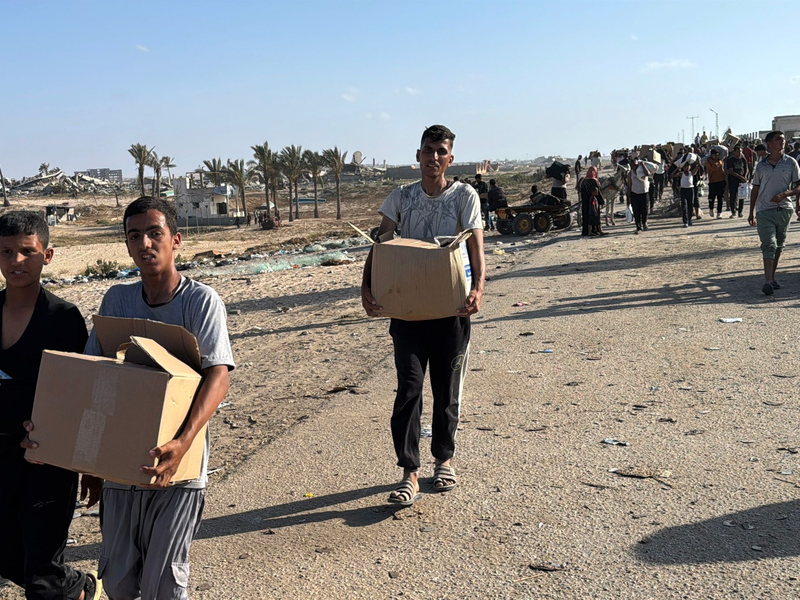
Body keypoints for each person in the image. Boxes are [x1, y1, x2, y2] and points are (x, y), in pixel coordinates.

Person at [25, 197, 235, 599]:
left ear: (176, 240)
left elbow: (218, 376)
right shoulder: (117, 300)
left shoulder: (200, 302)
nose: (145, 244)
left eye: (155, 234)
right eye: (134, 236)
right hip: (121, 470)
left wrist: (183, 442)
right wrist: (89, 461)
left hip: (178, 471)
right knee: (118, 580)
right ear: (126, 245)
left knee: (164, 583)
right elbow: (94, 378)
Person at [360, 125, 484, 506]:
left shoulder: (465, 196)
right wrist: (366, 288)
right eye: (428, 150)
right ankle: (408, 471)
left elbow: (477, 247)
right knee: (409, 390)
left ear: (450, 158)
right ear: (418, 155)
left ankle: (443, 460)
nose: (433, 157)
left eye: (441, 151)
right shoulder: (400, 197)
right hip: (409, 314)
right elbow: (380, 246)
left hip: (450, 311)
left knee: (447, 391)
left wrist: (479, 288)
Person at [1, 211, 103, 600]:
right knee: (10, 557)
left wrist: (90, 467)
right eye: (7, 252)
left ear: (48, 255)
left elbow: (83, 395)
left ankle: (66, 585)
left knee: (41, 580)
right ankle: (74, 585)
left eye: (28, 251)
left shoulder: (63, 319)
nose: (17, 262)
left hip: (49, 459)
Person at [748, 131, 800, 296]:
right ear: (769, 144)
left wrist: (786, 195)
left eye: (783, 139)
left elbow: (799, 187)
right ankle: (768, 281)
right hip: (764, 210)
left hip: (784, 209)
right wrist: (751, 211)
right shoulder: (761, 165)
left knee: (778, 245)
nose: (782, 142)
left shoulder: (791, 163)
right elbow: (755, 188)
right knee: (769, 244)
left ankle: (772, 277)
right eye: (778, 139)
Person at [628, 156, 652, 233]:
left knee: (644, 210)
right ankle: (638, 227)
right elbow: (629, 185)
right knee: (636, 211)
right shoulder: (630, 173)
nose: (634, 167)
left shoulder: (642, 170)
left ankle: (644, 223)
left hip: (644, 192)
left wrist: (643, 165)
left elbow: (648, 174)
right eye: (632, 165)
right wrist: (628, 196)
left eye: (635, 165)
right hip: (634, 193)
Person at [578, 166, 605, 236]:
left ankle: (586, 231)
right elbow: (597, 192)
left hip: (585, 203)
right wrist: (601, 201)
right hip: (593, 202)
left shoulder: (583, 181)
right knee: (595, 217)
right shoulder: (593, 181)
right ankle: (594, 230)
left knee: (586, 217)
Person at [725, 145, 750, 218]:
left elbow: (746, 168)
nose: (739, 153)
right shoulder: (730, 160)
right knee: (733, 196)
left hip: (742, 181)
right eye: (738, 152)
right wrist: (741, 177)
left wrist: (745, 176)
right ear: (734, 152)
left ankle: (740, 212)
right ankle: (733, 212)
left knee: (742, 196)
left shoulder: (743, 159)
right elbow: (731, 171)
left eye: (741, 151)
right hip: (733, 180)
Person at [705, 149, 727, 218]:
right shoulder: (708, 162)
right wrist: (719, 164)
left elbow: (723, 169)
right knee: (712, 197)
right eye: (715, 155)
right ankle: (711, 208)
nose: (716, 157)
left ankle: (719, 212)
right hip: (712, 182)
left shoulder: (720, 161)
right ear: (711, 155)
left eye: (717, 155)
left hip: (721, 181)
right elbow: (714, 167)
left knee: (720, 198)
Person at [679, 162, 695, 227]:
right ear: (683, 167)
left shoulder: (691, 173)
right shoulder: (681, 174)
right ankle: (685, 221)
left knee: (690, 205)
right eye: (685, 166)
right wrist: (677, 168)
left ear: (690, 167)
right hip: (683, 190)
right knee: (684, 206)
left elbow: (698, 167)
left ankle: (690, 219)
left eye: (688, 166)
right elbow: (672, 175)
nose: (687, 168)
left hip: (690, 189)